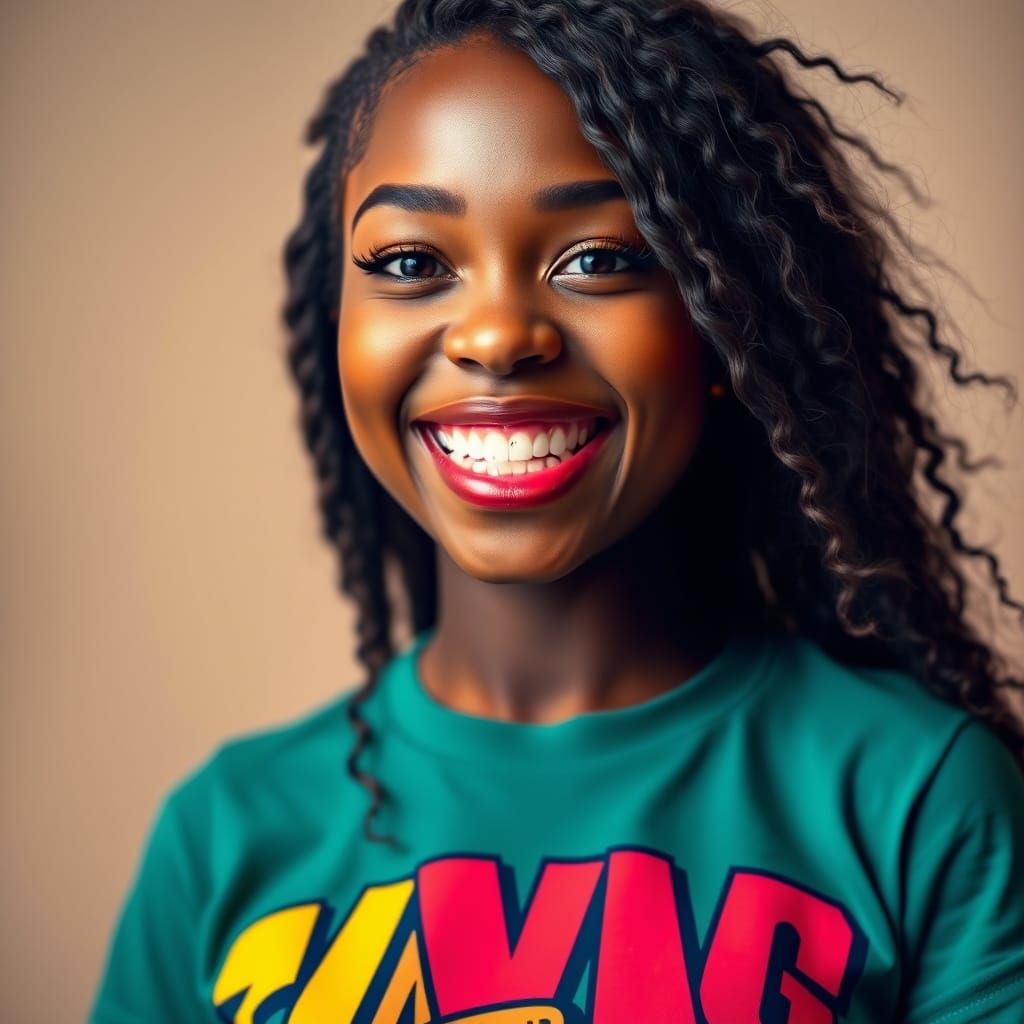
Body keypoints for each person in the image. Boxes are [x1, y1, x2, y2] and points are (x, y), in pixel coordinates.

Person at [89, 1, 1024, 1021]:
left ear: (722, 323)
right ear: (339, 328)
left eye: (598, 258)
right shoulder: (223, 834)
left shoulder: (916, 802)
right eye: (410, 263)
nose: (496, 335)